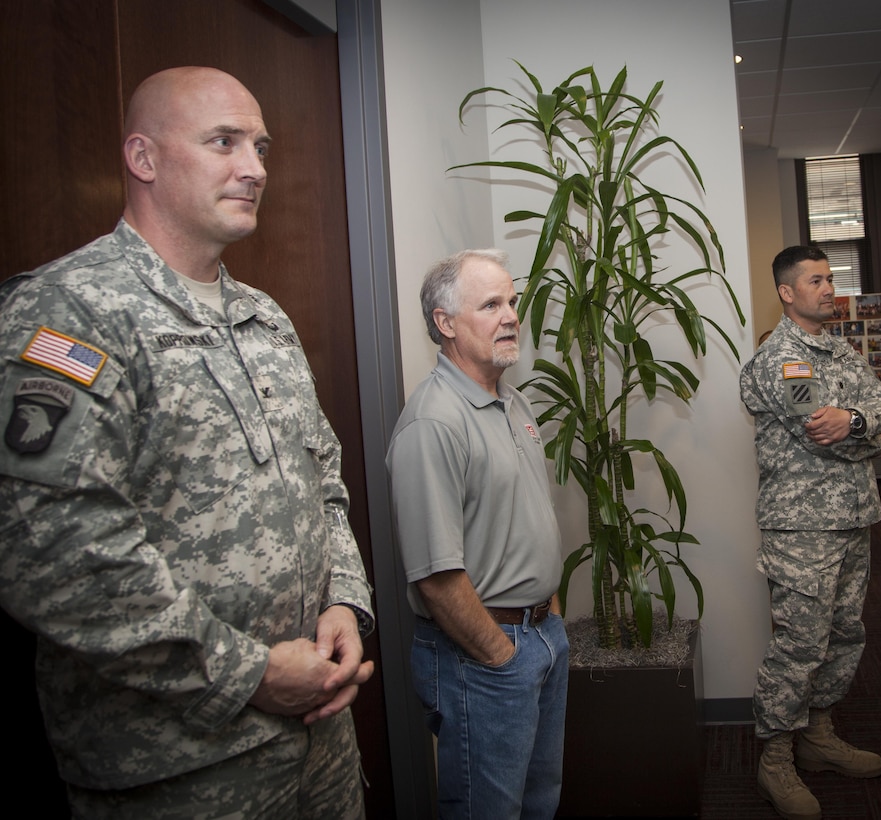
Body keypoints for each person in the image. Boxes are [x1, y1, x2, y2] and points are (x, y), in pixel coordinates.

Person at [0, 67, 374, 819]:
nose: (255, 168)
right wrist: (247, 674)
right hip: (180, 767)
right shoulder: (70, 310)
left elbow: (323, 479)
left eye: (261, 146)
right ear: (144, 158)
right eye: (223, 142)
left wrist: (347, 605)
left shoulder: (264, 317)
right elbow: (52, 550)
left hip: (318, 739)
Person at [386, 249, 568, 819]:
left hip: (540, 635)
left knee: (539, 802)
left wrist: (550, 617)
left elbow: (526, 521)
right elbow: (436, 576)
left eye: (512, 301)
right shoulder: (433, 422)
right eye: (491, 304)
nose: (512, 315)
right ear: (445, 324)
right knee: (487, 811)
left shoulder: (511, 401)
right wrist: (500, 654)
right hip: (483, 654)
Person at [739, 245, 881, 820]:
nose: (829, 288)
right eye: (816, 280)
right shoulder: (784, 359)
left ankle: (819, 735)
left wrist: (856, 420)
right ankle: (775, 760)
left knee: (845, 634)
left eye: (830, 278)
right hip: (803, 527)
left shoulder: (841, 350)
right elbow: (817, 430)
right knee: (800, 644)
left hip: (854, 517)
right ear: (787, 292)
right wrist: (860, 427)